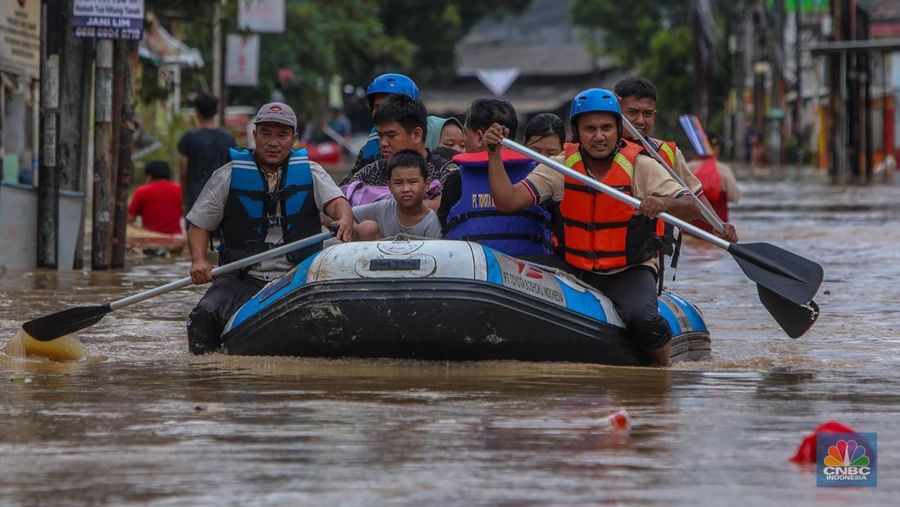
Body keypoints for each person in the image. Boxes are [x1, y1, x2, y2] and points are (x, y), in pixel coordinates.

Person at [482, 88, 702, 366]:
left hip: (628, 269)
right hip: (572, 265)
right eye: (590, 129)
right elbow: (507, 201)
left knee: (643, 320)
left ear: (618, 130)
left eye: (607, 128)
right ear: (577, 132)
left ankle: (662, 372)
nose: (599, 136)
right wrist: (494, 155)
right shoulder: (561, 167)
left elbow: (693, 206)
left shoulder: (642, 167)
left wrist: (663, 202)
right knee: (508, 273)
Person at [185, 102, 354, 354]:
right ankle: (206, 377)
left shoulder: (311, 172)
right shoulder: (228, 174)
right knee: (204, 315)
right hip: (240, 276)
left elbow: (338, 204)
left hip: (296, 276)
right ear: (255, 135)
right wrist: (198, 260)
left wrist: (345, 220)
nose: (273, 142)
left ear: (294, 139)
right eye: (266, 134)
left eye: (282, 135)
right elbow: (199, 224)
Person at [614, 77, 738, 243]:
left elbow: (695, 195)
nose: (641, 120)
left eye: (647, 114)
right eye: (632, 113)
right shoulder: (599, 151)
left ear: (655, 115)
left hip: (651, 249)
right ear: (617, 112)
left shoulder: (666, 152)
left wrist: (719, 224)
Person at [346, 95, 455, 209]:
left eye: (391, 135)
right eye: (380, 136)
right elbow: (337, 209)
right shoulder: (370, 173)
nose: (383, 143)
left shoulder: (446, 172)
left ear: (416, 135)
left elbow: (449, 208)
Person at [346, 73, 421, 181]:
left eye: (389, 105)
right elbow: (348, 186)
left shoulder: (429, 149)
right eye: (377, 106)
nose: (382, 112)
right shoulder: (368, 150)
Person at [352, 150, 441, 240]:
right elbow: (349, 214)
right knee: (367, 228)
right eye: (398, 183)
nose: (405, 189)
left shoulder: (431, 222)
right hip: (379, 254)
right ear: (390, 187)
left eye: (412, 182)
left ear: (427, 185)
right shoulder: (384, 208)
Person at [178, 92, 236, 214]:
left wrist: (183, 198)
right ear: (216, 111)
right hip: (221, 198)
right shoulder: (228, 138)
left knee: (194, 232)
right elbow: (233, 169)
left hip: (195, 198)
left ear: (196, 111)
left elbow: (183, 172)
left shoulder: (189, 138)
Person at [687, 132, 741, 233]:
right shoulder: (724, 170)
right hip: (717, 235)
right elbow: (735, 197)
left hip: (689, 232)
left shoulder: (686, 168)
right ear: (716, 149)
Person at [128, 160, 183, 235]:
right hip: (175, 238)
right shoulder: (180, 190)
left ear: (149, 176)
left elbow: (130, 218)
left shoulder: (142, 191)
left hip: (150, 238)